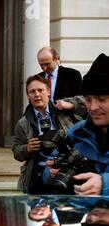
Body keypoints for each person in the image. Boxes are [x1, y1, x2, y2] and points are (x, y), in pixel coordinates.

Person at [46, 53, 109, 196]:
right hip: (84, 215)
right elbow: (48, 165)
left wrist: (104, 184)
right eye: (88, 99)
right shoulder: (77, 131)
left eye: (101, 99)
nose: (92, 107)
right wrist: (52, 173)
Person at [12, 75, 75, 194]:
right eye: (32, 91)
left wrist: (72, 104)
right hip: (37, 176)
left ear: (48, 92)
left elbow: (87, 101)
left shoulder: (64, 112)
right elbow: (16, 152)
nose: (37, 94)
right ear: (28, 96)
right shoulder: (23, 123)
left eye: (40, 90)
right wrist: (28, 148)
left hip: (66, 170)